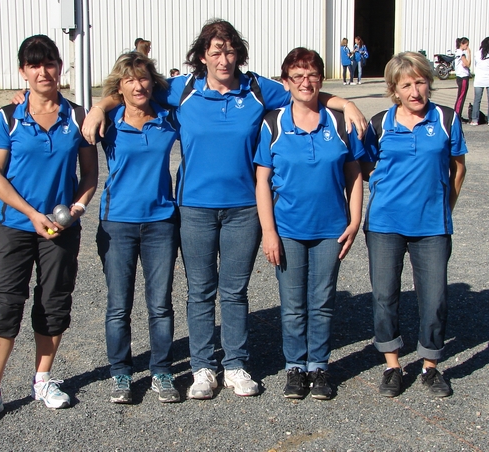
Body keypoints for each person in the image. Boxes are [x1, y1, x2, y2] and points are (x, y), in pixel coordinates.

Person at [81, 18, 367, 400]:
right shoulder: (183, 89)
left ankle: (235, 364)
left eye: (230, 50)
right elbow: (136, 88)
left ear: (239, 54)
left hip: (244, 209)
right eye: (216, 51)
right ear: (202, 56)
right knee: (200, 290)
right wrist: (101, 106)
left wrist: (345, 102)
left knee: (234, 291)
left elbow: (304, 92)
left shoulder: (257, 89)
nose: (224, 58)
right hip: (194, 208)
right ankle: (203, 367)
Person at [0, 35, 98, 425]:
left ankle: (42, 379)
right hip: (15, 227)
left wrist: (75, 208)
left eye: (50, 63)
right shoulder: (8, 117)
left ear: (60, 67)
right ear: (23, 71)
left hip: (60, 229)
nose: (44, 71)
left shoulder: (76, 116)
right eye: (35, 64)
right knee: (4, 303)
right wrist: (32, 214)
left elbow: (90, 173)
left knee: (54, 301)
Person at [254, 48, 363, 400]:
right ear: (286, 82)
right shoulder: (273, 123)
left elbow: (355, 174)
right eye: (297, 76)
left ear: (321, 78)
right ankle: (295, 368)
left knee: (322, 301)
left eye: (312, 74)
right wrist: (268, 232)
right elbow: (262, 182)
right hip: (287, 229)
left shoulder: (339, 123)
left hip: (331, 228)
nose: (306, 82)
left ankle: (319, 366)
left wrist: (355, 219)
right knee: (293, 303)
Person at [360, 51, 467, 398]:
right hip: (385, 224)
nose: (415, 91)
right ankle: (392, 364)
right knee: (384, 295)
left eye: (420, 82)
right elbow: (363, 169)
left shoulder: (446, 119)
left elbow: (458, 168)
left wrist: (442, 206)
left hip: (433, 226)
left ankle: (430, 366)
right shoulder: (380, 124)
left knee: (434, 298)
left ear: (429, 83)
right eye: (406, 84)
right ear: (394, 89)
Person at [95, 52, 180, 404]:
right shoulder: (108, 120)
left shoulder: (168, 118)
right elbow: (63, 111)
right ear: (120, 85)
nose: (138, 85)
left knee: (160, 304)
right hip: (118, 223)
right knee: (119, 305)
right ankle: (120, 374)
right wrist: (100, 107)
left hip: (161, 221)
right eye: (129, 79)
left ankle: (161, 370)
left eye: (143, 78)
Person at [470, 37, 489, 126]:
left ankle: (474, 120)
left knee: (477, 100)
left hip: (479, 80)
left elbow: (476, 64)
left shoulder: (477, 54)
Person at [454, 37, 471, 119]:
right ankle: (457, 114)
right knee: (461, 97)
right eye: (466, 45)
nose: (467, 47)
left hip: (459, 76)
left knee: (460, 96)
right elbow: (467, 64)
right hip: (463, 76)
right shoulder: (462, 54)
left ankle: (457, 113)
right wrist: (469, 53)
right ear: (462, 44)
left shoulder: (457, 52)